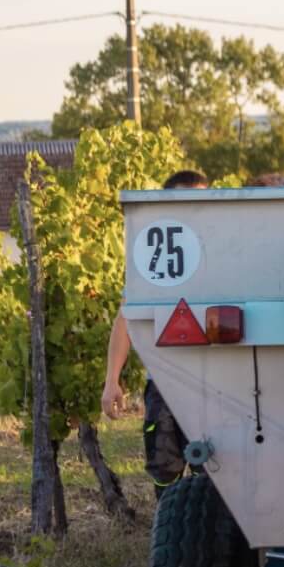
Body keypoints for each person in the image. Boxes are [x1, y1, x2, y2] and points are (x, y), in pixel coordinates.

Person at [102, 168, 211, 495]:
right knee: (165, 476)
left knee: (218, 477)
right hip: (162, 384)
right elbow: (126, 319)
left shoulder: (222, 256)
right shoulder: (152, 260)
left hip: (216, 385)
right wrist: (111, 381)